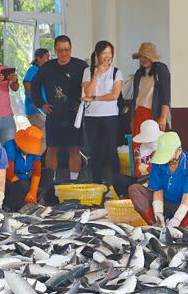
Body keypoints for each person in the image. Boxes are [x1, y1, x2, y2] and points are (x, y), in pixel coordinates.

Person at [32, 35, 88, 182]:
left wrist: (83, 103)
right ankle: (51, 181)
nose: (64, 53)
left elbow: (90, 86)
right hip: (54, 114)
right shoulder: (47, 67)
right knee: (52, 149)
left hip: (74, 115)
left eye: (67, 50)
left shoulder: (81, 66)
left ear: (71, 49)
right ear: (55, 50)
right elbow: (34, 85)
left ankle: (74, 182)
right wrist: (41, 103)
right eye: (60, 50)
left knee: (74, 149)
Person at [130, 132, 188, 227]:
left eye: (168, 156)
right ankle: (156, 226)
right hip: (164, 203)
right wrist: (158, 214)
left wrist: (177, 219)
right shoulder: (157, 162)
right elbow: (157, 191)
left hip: (184, 204)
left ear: (178, 151)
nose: (165, 161)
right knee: (134, 189)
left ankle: (181, 228)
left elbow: (186, 197)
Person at [81, 40, 124, 184]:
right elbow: (87, 90)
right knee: (95, 153)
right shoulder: (88, 71)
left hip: (110, 117)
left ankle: (117, 186)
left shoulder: (117, 72)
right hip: (91, 117)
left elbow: (114, 96)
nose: (107, 56)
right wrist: (98, 73)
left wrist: (94, 98)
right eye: (104, 53)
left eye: (110, 53)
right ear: (98, 55)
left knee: (111, 152)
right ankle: (97, 185)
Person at [130, 42, 171, 176]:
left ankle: (155, 178)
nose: (143, 60)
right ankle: (139, 176)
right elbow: (135, 97)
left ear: (152, 58)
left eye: (146, 57)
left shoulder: (161, 70)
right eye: (141, 57)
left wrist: (163, 117)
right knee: (137, 147)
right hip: (138, 113)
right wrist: (132, 118)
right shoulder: (138, 74)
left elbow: (166, 95)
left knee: (155, 148)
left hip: (153, 114)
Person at [3, 126, 55, 211]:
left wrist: (33, 191)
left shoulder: (35, 150)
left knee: (49, 172)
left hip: (28, 180)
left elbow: (36, 170)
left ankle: (36, 197)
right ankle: (27, 200)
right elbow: (9, 174)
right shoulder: (9, 146)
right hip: (13, 183)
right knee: (22, 184)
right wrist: (28, 189)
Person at [112, 119, 163, 198]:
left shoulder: (165, 148)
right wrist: (148, 169)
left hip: (160, 179)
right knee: (119, 179)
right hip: (144, 178)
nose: (151, 142)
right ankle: (127, 196)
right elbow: (139, 166)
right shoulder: (139, 150)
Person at [23, 48, 50, 153]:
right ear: (39, 58)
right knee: (42, 137)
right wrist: (35, 101)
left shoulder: (42, 70)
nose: (48, 59)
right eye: (46, 57)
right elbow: (27, 84)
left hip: (42, 109)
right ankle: (36, 162)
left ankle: (39, 162)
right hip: (35, 110)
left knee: (43, 137)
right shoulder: (33, 69)